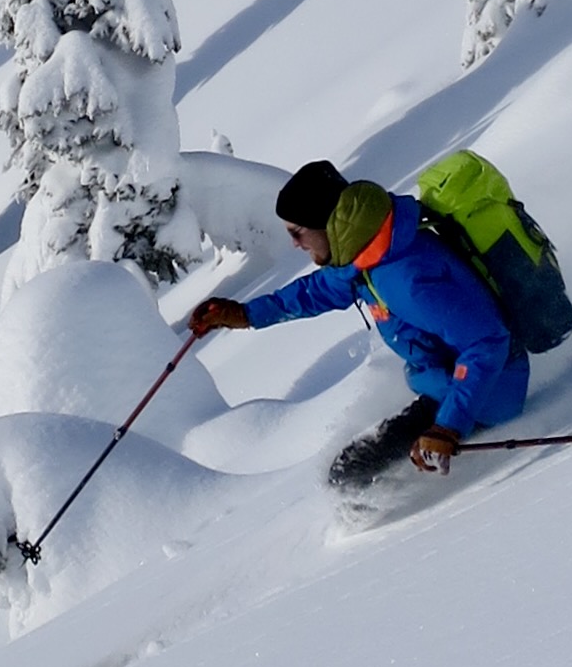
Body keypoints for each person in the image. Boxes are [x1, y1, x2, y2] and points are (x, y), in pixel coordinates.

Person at [188, 160, 528, 487]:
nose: (294, 244)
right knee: (351, 469)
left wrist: (448, 427)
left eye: (298, 232)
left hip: (486, 394)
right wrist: (244, 315)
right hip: (448, 388)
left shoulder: (406, 276)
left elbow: (487, 340)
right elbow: (317, 290)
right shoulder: (368, 254)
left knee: (349, 476)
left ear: (326, 224)